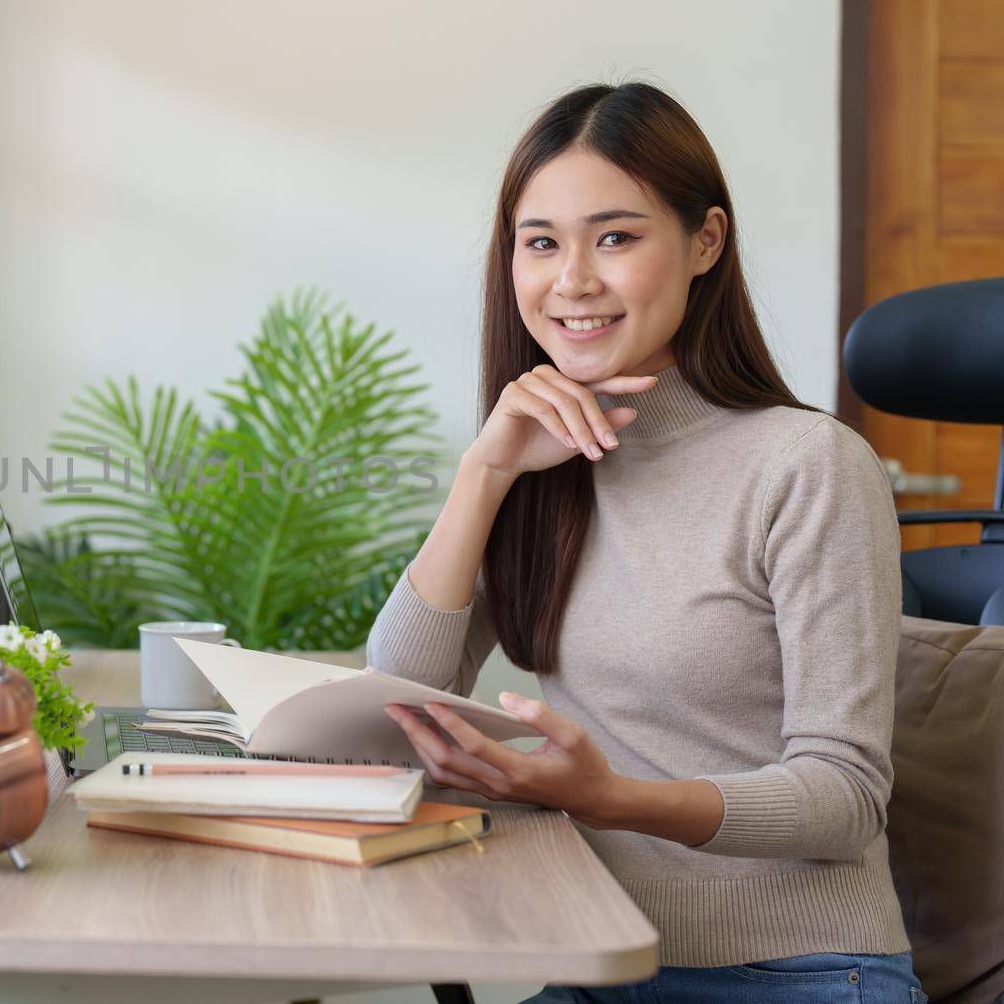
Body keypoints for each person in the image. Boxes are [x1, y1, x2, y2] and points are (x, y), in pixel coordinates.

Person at [367, 82, 926, 1003]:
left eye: (616, 237)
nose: (573, 280)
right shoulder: (537, 458)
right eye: (541, 242)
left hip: (800, 972)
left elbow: (845, 795)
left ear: (705, 241)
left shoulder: (808, 464)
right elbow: (401, 691)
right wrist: (486, 472)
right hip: (597, 959)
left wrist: (611, 796)